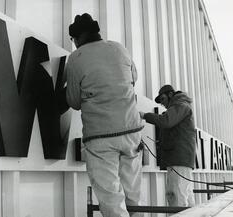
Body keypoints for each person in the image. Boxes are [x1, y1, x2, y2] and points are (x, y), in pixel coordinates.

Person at [65, 13, 144, 217]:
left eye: (73, 40)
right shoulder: (119, 48)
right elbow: (133, 78)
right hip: (131, 131)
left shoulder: (76, 58)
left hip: (100, 137)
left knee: (111, 199)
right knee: (133, 194)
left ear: (78, 37)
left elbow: (73, 101)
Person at [140, 84, 196, 207]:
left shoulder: (181, 105)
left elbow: (166, 121)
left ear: (171, 95)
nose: (162, 104)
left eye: (163, 99)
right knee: (185, 194)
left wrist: (144, 115)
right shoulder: (181, 106)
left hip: (179, 158)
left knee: (176, 196)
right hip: (180, 158)